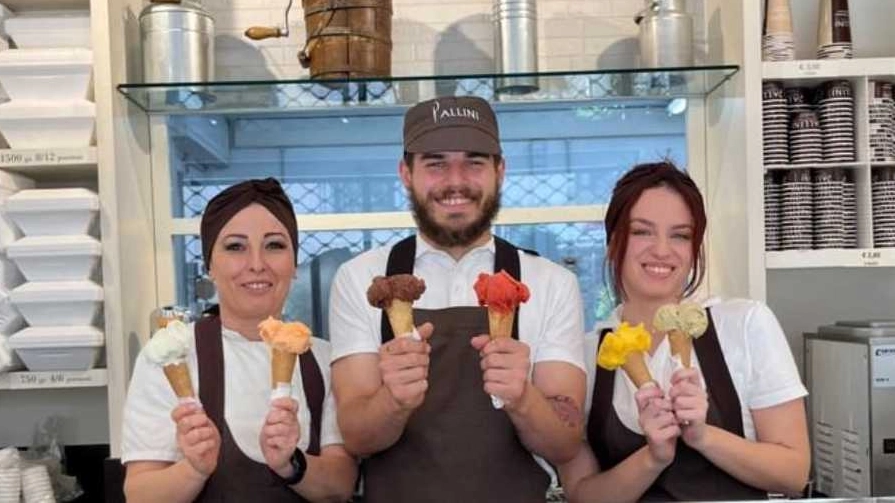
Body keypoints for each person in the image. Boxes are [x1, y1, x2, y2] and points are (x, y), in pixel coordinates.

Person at [328, 96, 587, 502]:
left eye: (475, 162)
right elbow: (357, 436)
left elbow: (565, 444)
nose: (456, 180)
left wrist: (522, 398)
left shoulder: (551, 283)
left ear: (500, 171)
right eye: (435, 163)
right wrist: (393, 400)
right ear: (406, 173)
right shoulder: (359, 278)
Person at [559, 162, 810, 502]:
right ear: (613, 240)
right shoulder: (585, 355)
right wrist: (652, 457)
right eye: (642, 231)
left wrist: (704, 436)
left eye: (680, 235)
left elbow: (793, 473)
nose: (662, 250)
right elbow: (582, 495)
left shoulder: (745, 324)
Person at [121, 178, 357, 502]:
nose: (257, 264)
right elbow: (139, 494)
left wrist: (293, 465)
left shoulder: (324, 359)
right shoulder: (171, 356)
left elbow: (341, 484)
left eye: (274, 245)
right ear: (210, 266)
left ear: (294, 265)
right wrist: (194, 469)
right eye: (235, 247)